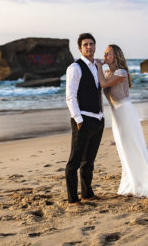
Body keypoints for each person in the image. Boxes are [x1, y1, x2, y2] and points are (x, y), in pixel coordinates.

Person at [95, 44, 148, 198]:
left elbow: (103, 84)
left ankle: (141, 185)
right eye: (104, 54)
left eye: (108, 54)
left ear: (116, 56)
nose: (105, 57)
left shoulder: (120, 72)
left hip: (126, 113)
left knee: (132, 147)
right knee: (123, 149)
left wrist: (98, 67)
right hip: (117, 115)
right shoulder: (108, 72)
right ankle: (130, 184)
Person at [65, 33, 105, 204]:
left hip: (98, 119)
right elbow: (70, 96)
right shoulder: (75, 68)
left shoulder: (97, 66)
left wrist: (102, 116)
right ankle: (73, 199)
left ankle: (87, 193)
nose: (89, 47)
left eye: (91, 44)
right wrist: (78, 119)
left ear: (95, 46)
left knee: (89, 160)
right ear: (80, 48)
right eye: (85, 44)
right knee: (75, 161)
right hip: (83, 120)